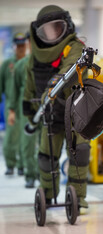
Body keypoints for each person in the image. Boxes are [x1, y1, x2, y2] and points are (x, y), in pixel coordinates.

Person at [23, 5, 90, 208]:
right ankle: (48, 194)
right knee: (46, 155)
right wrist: (31, 113)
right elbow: (30, 87)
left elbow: (70, 68)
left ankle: (77, 199)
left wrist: (51, 89)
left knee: (80, 152)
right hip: (50, 114)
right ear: (39, 33)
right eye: (47, 30)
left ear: (67, 27)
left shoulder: (75, 47)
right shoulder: (35, 58)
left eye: (57, 28)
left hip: (76, 112)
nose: (52, 35)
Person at [8, 33, 39, 188]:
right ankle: (30, 174)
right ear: (29, 44)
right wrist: (12, 111)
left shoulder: (49, 65)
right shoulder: (21, 65)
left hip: (45, 108)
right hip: (26, 108)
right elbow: (14, 90)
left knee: (45, 142)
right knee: (27, 143)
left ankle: (43, 173)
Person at [0, 32, 27, 175]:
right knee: (10, 136)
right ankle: (11, 164)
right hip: (11, 105)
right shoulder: (7, 65)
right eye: (18, 45)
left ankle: (23, 165)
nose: (21, 48)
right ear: (14, 46)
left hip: (26, 105)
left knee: (25, 136)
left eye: (23, 45)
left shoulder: (28, 64)